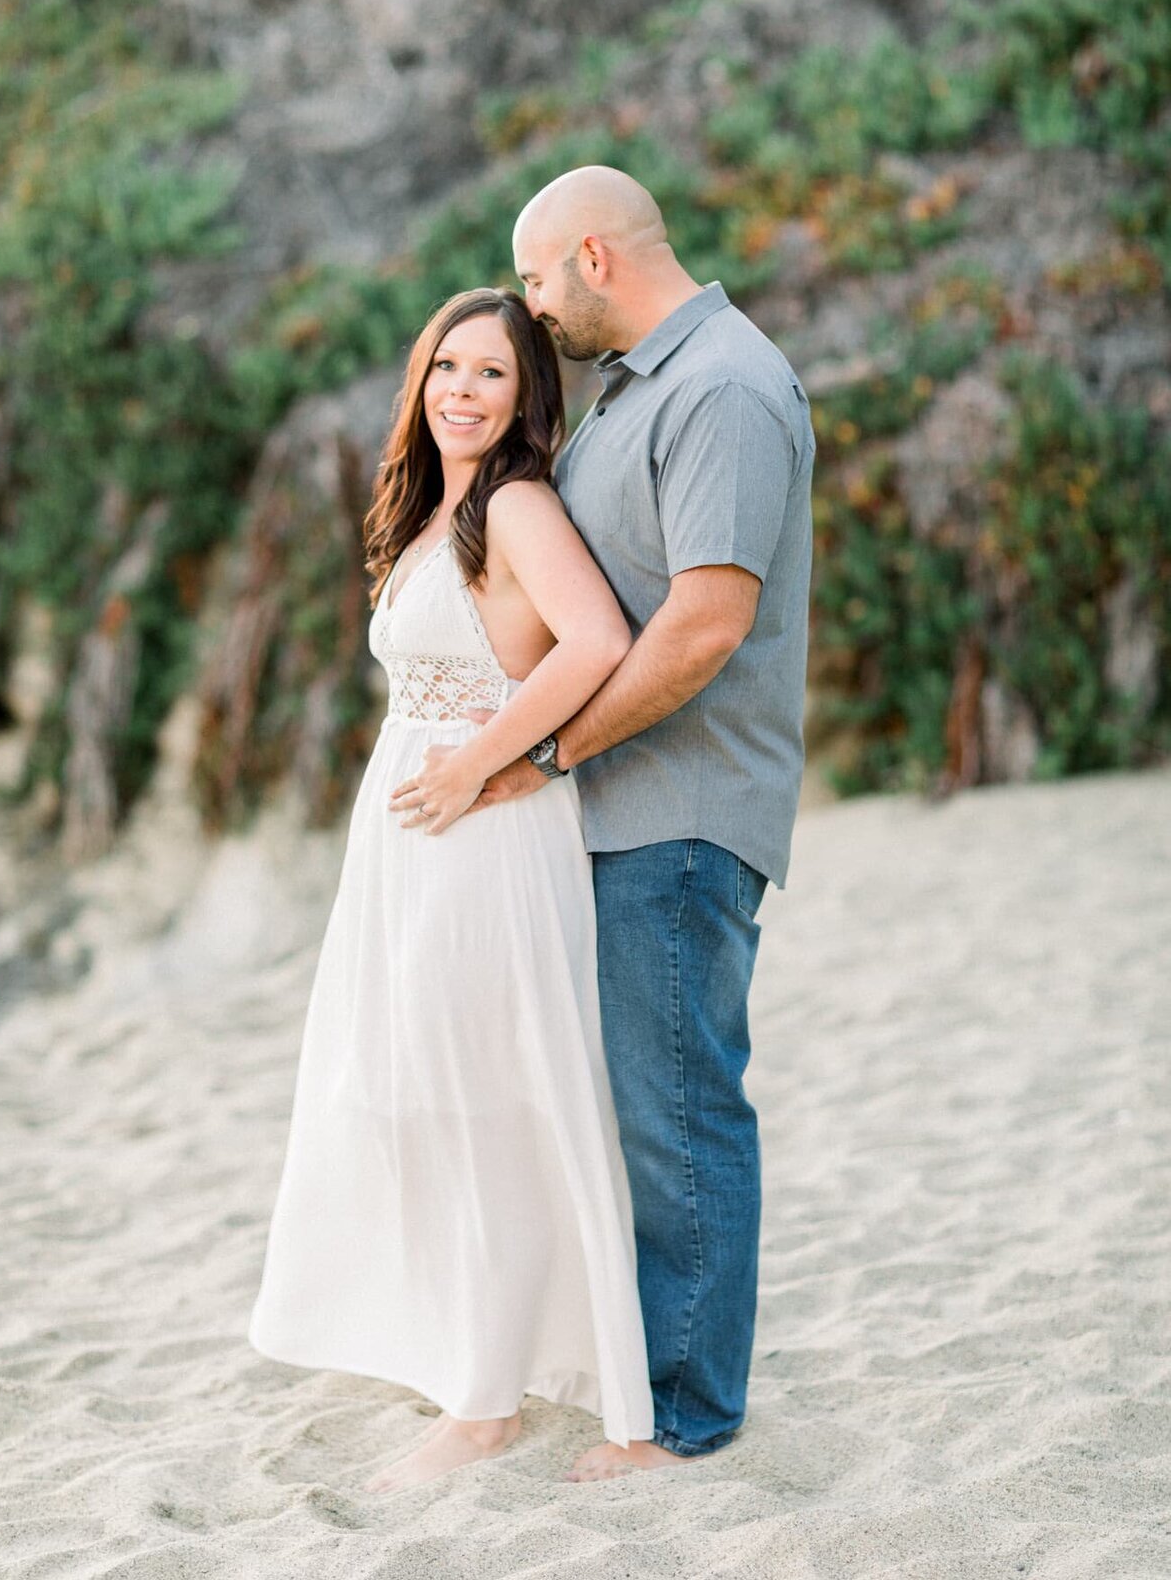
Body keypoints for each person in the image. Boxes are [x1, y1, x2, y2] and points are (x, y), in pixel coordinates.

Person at [398, 165, 816, 1482]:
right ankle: (623, 1367)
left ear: (591, 256)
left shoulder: (726, 388)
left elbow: (705, 620)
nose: (530, 309)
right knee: (622, 1103)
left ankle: (688, 1422)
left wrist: (548, 751)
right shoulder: (645, 388)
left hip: (680, 815)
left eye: (532, 281)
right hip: (613, 810)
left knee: (677, 1111)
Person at [247, 285, 656, 1492]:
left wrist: (486, 765)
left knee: (487, 1100)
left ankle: (489, 1404)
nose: (463, 393)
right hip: (408, 841)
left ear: (530, 395)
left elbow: (598, 645)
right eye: (447, 369)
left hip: (485, 834)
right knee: (415, 1093)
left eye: (491, 374)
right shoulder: (435, 511)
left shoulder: (520, 504)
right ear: (419, 382)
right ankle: (481, 1362)